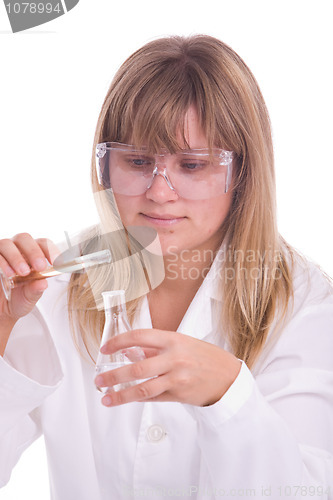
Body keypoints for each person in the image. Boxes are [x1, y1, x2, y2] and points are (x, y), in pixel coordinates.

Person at [0, 35, 332, 500]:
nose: (159, 192)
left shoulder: (305, 304)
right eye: (137, 161)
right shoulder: (51, 285)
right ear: (104, 165)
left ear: (244, 175)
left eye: (192, 166)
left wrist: (228, 394)